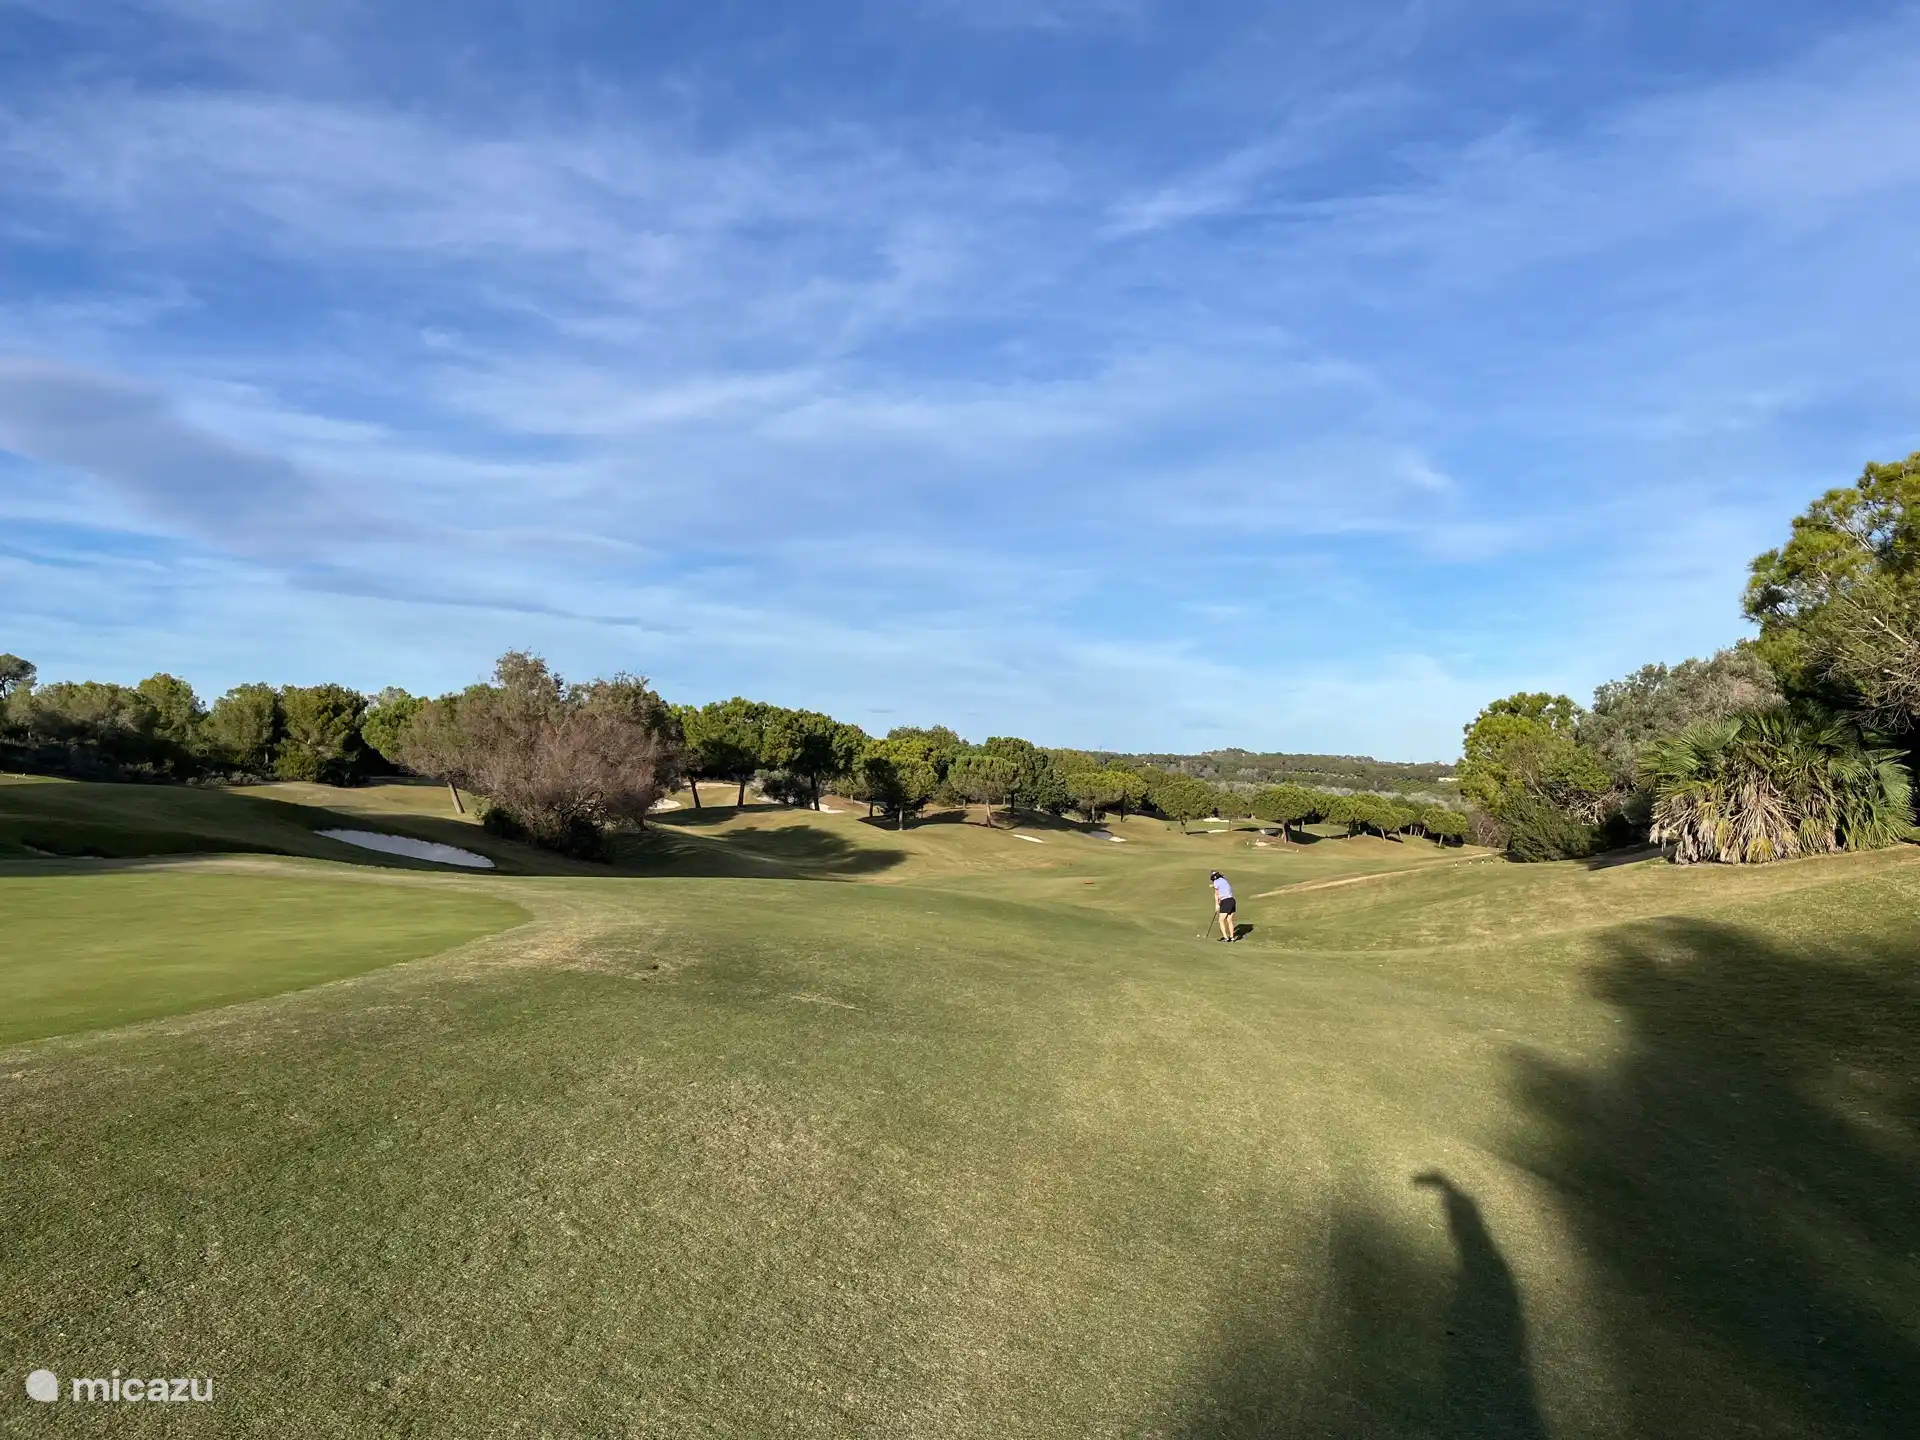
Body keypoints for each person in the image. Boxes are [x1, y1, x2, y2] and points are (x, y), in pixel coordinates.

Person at [1208, 870, 1237, 941]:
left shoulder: (1216, 882)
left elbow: (1216, 894)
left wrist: (1217, 904)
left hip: (1226, 901)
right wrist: (1212, 886)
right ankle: (1232, 937)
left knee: (1221, 920)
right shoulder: (1224, 879)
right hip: (1232, 900)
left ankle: (1225, 938)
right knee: (1229, 920)